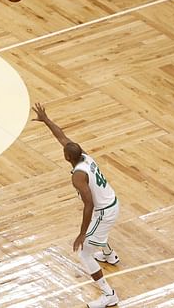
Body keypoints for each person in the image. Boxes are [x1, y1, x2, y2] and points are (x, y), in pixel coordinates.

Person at [32, 103, 120, 308]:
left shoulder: (78, 176)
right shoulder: (85, 156)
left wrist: (81, 233)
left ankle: (109, 295)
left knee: (84, 252)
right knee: (95, 232)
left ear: (67, 158)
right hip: (112, 202)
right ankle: (109, 255)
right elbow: (62, 137)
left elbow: (88, 205)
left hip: (104, 211)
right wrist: (46, 120)